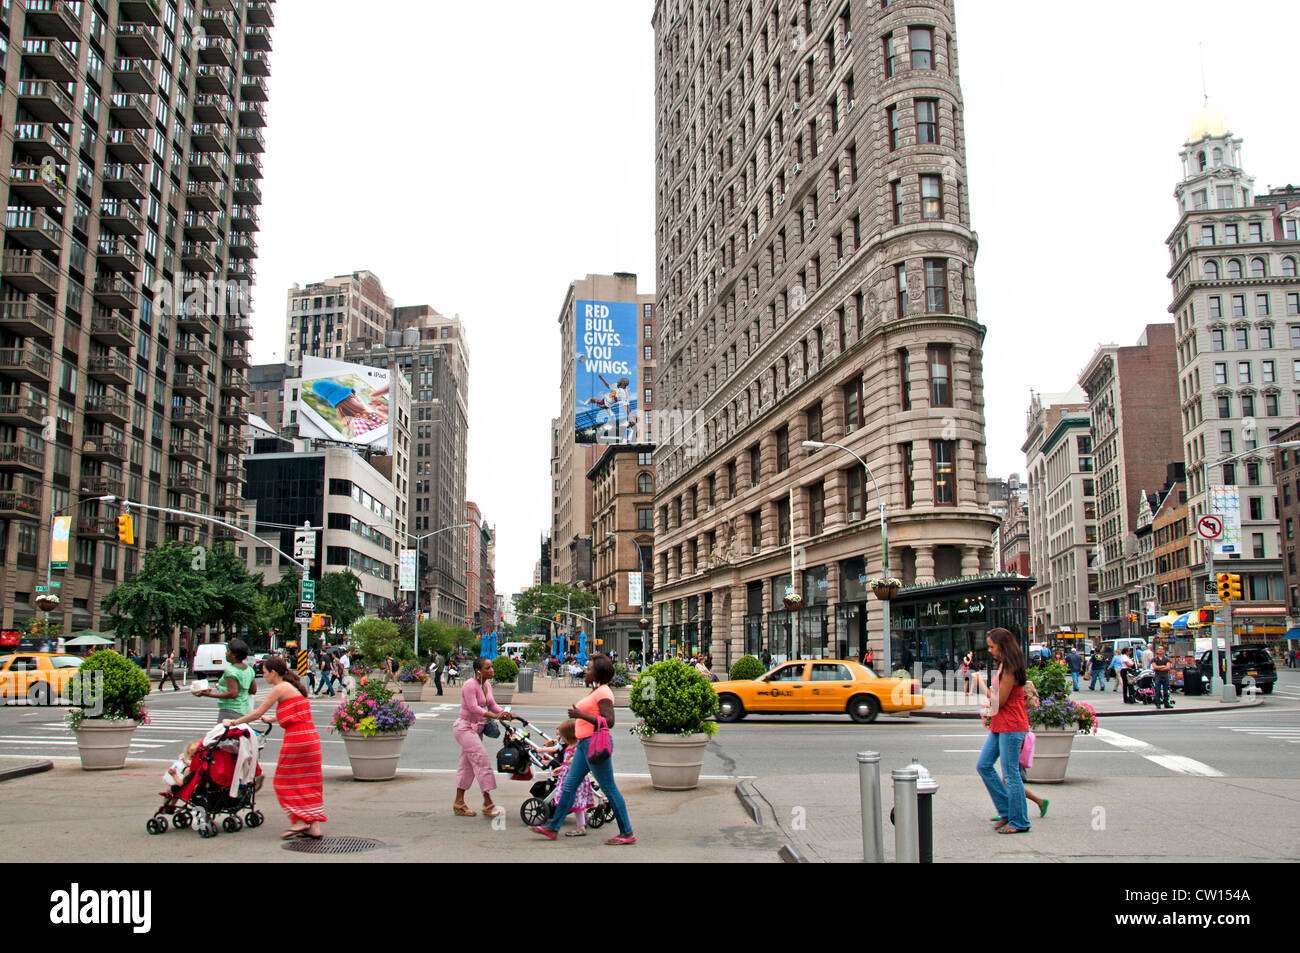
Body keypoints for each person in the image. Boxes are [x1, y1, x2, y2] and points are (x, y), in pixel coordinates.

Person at [529, 654, 636, 845]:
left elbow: (609, 721)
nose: (585, 671)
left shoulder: (604, 693)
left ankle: (627, 832)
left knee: (609, 788)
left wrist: (580, 714)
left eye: (588, 669)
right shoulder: (596, 691)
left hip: (594, 745)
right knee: (569, 786)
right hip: (583, 745)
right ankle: (553, 828)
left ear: (598, 673)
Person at [223, 657, 326, 840]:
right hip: (310, 739)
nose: (263, 675)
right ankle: (314, 825)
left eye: (264, 671)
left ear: (273, 672)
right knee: (309, 782)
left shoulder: (279, 688)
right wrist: (273, 719)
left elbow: (256, 713)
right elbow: (296, 713)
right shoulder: (294, 687)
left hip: (296, 740)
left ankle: (299, 822)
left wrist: (233, 722)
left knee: (284, 781)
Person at [976, 628, 1031, 834]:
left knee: (1010, 775)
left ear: (1002, 645)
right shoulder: (1004, 665)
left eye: (992, 646)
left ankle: (1019, 821)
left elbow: (999, 701)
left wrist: (982, 685)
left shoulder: (1010, 668)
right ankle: (1008, 811)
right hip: (1001, 724)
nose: (989, 650)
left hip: (1011, 724)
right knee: (984, 765)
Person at [452, 657, 514, 818]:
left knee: (466, 765)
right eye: (488, 667)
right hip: (465, 728)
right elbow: (473, 708)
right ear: (478, 671)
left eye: (491, 667)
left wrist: (503, 713)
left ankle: (459, 803)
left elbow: (492, 704)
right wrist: (494, 715)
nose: (492, 670)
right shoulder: (469, 685)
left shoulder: (486, 685)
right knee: (481, 760)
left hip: (476, 730)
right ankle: (488, 803)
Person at [536, 719, 595, 837]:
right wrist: (562, 768)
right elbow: (567, 763)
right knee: (576, 802)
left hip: (574, 779)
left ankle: (580, 826)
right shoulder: (572, 746)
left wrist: (567, 764)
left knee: (574, 802)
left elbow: (574, 762)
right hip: (571, 776)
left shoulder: (576, 748)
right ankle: (581, 821)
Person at [197, 639, 256, 725]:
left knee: (221, 736)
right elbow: (253, 690)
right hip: (244, 711)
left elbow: (233, 693)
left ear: (234, 655)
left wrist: (209, 694)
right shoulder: (249, 669)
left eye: (228, 651)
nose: (225, 653)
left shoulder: (230, 670)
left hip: (230, 711)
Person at [1151, 643, 1174, 709]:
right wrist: (1163, 666)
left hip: (1165, 676)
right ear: (1157, 651)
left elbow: (1168, 667)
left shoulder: (1167, 659)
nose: (1160, 650)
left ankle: (1166, 703)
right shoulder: (1154, 659)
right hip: (1157, 676)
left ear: (1164, 651)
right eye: (1159, 649)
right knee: (1157, 690)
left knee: (1166, 690)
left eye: (1161, 649)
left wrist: (1159, 667)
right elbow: (1155, 667)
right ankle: (1158, 704)